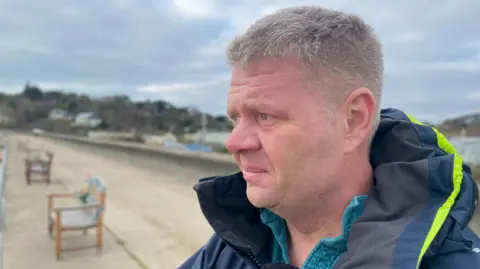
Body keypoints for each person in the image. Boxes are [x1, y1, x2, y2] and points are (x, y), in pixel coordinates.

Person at [179, 5, 480, 269]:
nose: (234, 142)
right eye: (235, 119)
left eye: (265, 116)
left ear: (353, 120)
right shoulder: (233, 244)